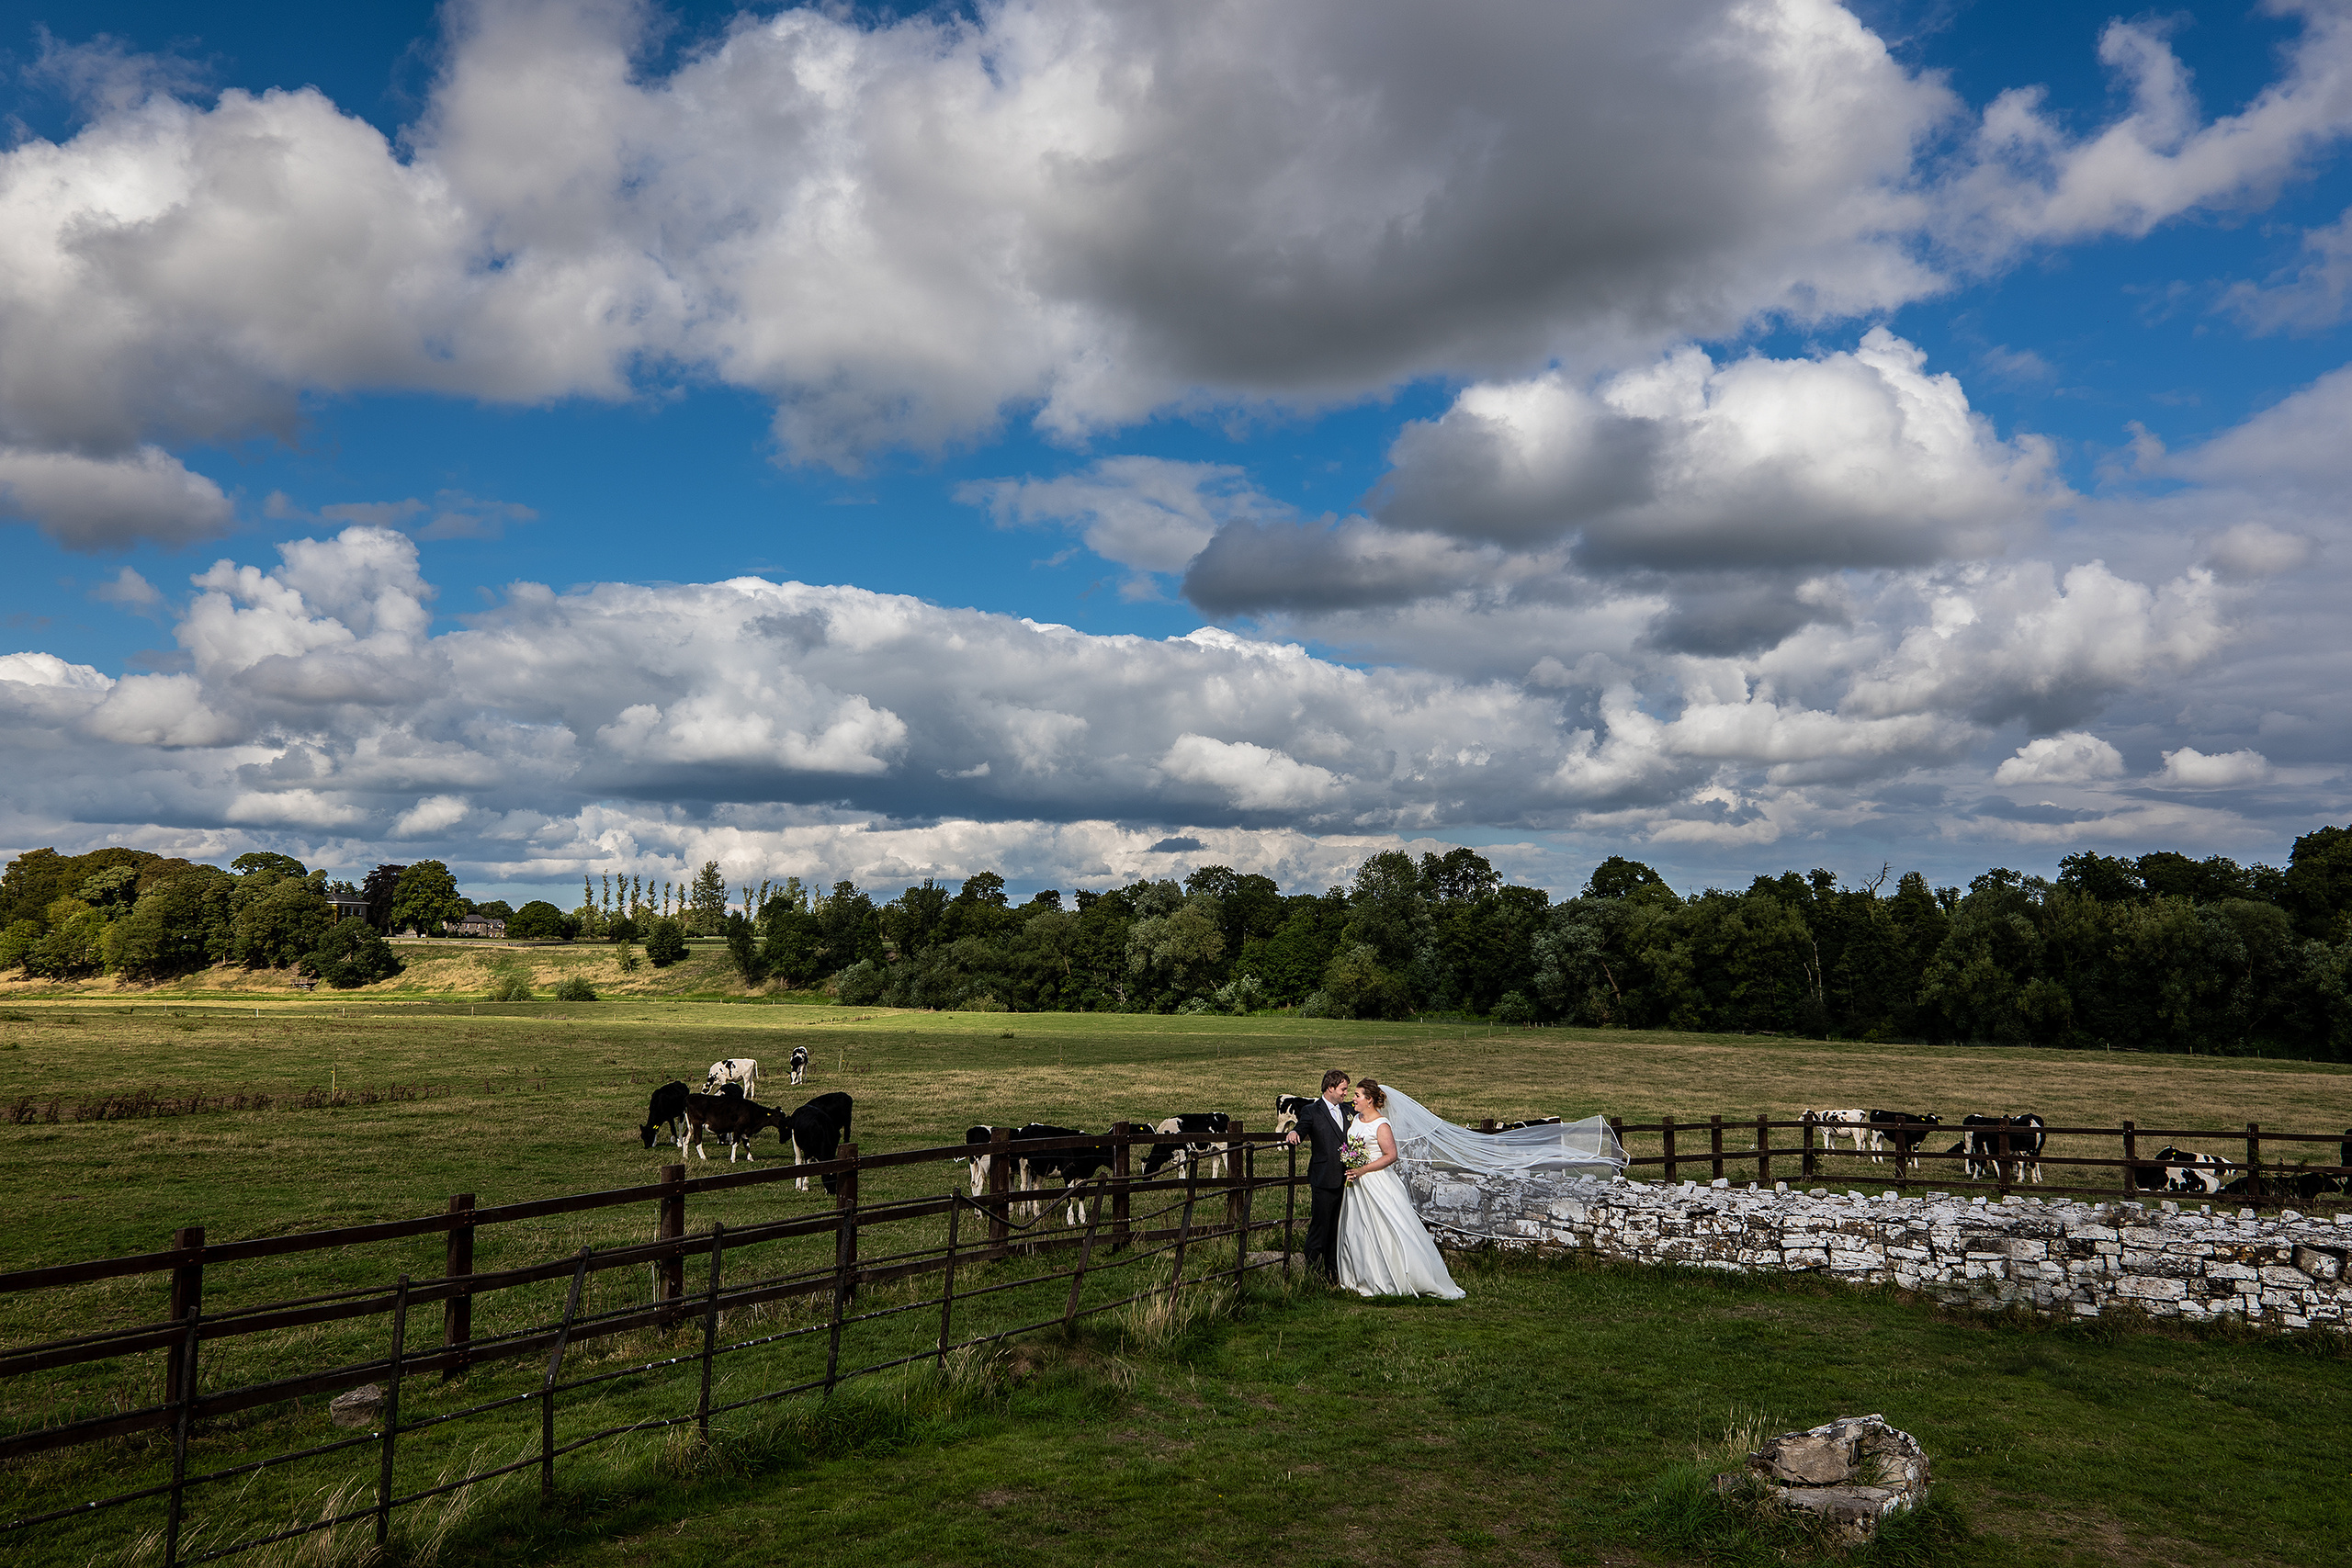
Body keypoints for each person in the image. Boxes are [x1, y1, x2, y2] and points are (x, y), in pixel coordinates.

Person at [1335, 1078, 1464, 1299]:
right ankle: (1361, 1276)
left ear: (1370, 1100)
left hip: (1376, 1182)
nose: (1353, 1099)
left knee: (1387, 1227)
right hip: (1356, 1184)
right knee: (1358, 1230)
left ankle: (1396, 1277)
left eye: (1357, 1095)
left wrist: (1363, 1169)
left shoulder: (1381, 1124)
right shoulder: (1356, 1119)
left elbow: (1391, 1156)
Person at [1284, 1068, 1351, 1281]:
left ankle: (1333, 1275)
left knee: (1337, 1229)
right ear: (1330, 1088)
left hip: (1347, 1180)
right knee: (1319, 1227)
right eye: (1343, 1089)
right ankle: (1311, 1275)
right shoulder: (1312, 1110)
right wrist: (1294, 1132)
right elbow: (1302, 1128)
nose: (1345, 1094)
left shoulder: (1348, 1109)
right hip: (1323, 1178)